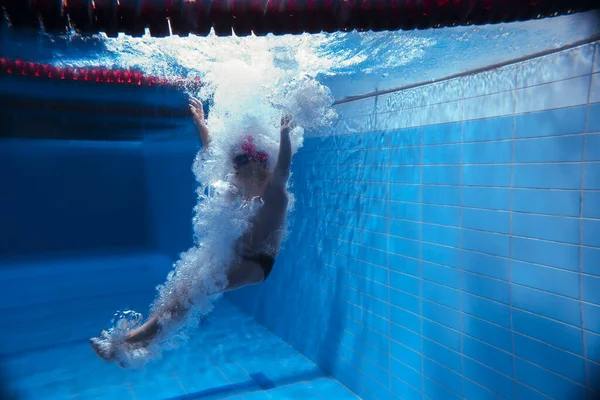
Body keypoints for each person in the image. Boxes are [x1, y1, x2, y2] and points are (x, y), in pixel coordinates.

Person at [90, 98, 293, 364]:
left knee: (190, 294)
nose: (238, 175)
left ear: (261, 170)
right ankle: (140, 347)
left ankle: (124, 344)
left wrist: (285, 133)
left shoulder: (274, 194)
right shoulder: (238, 189)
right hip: (236, 254)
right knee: (179, 293)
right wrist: (201, 124)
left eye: (244, 170)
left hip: (255, 263)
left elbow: (283, 169)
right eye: (238, 170)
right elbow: (213, 155)